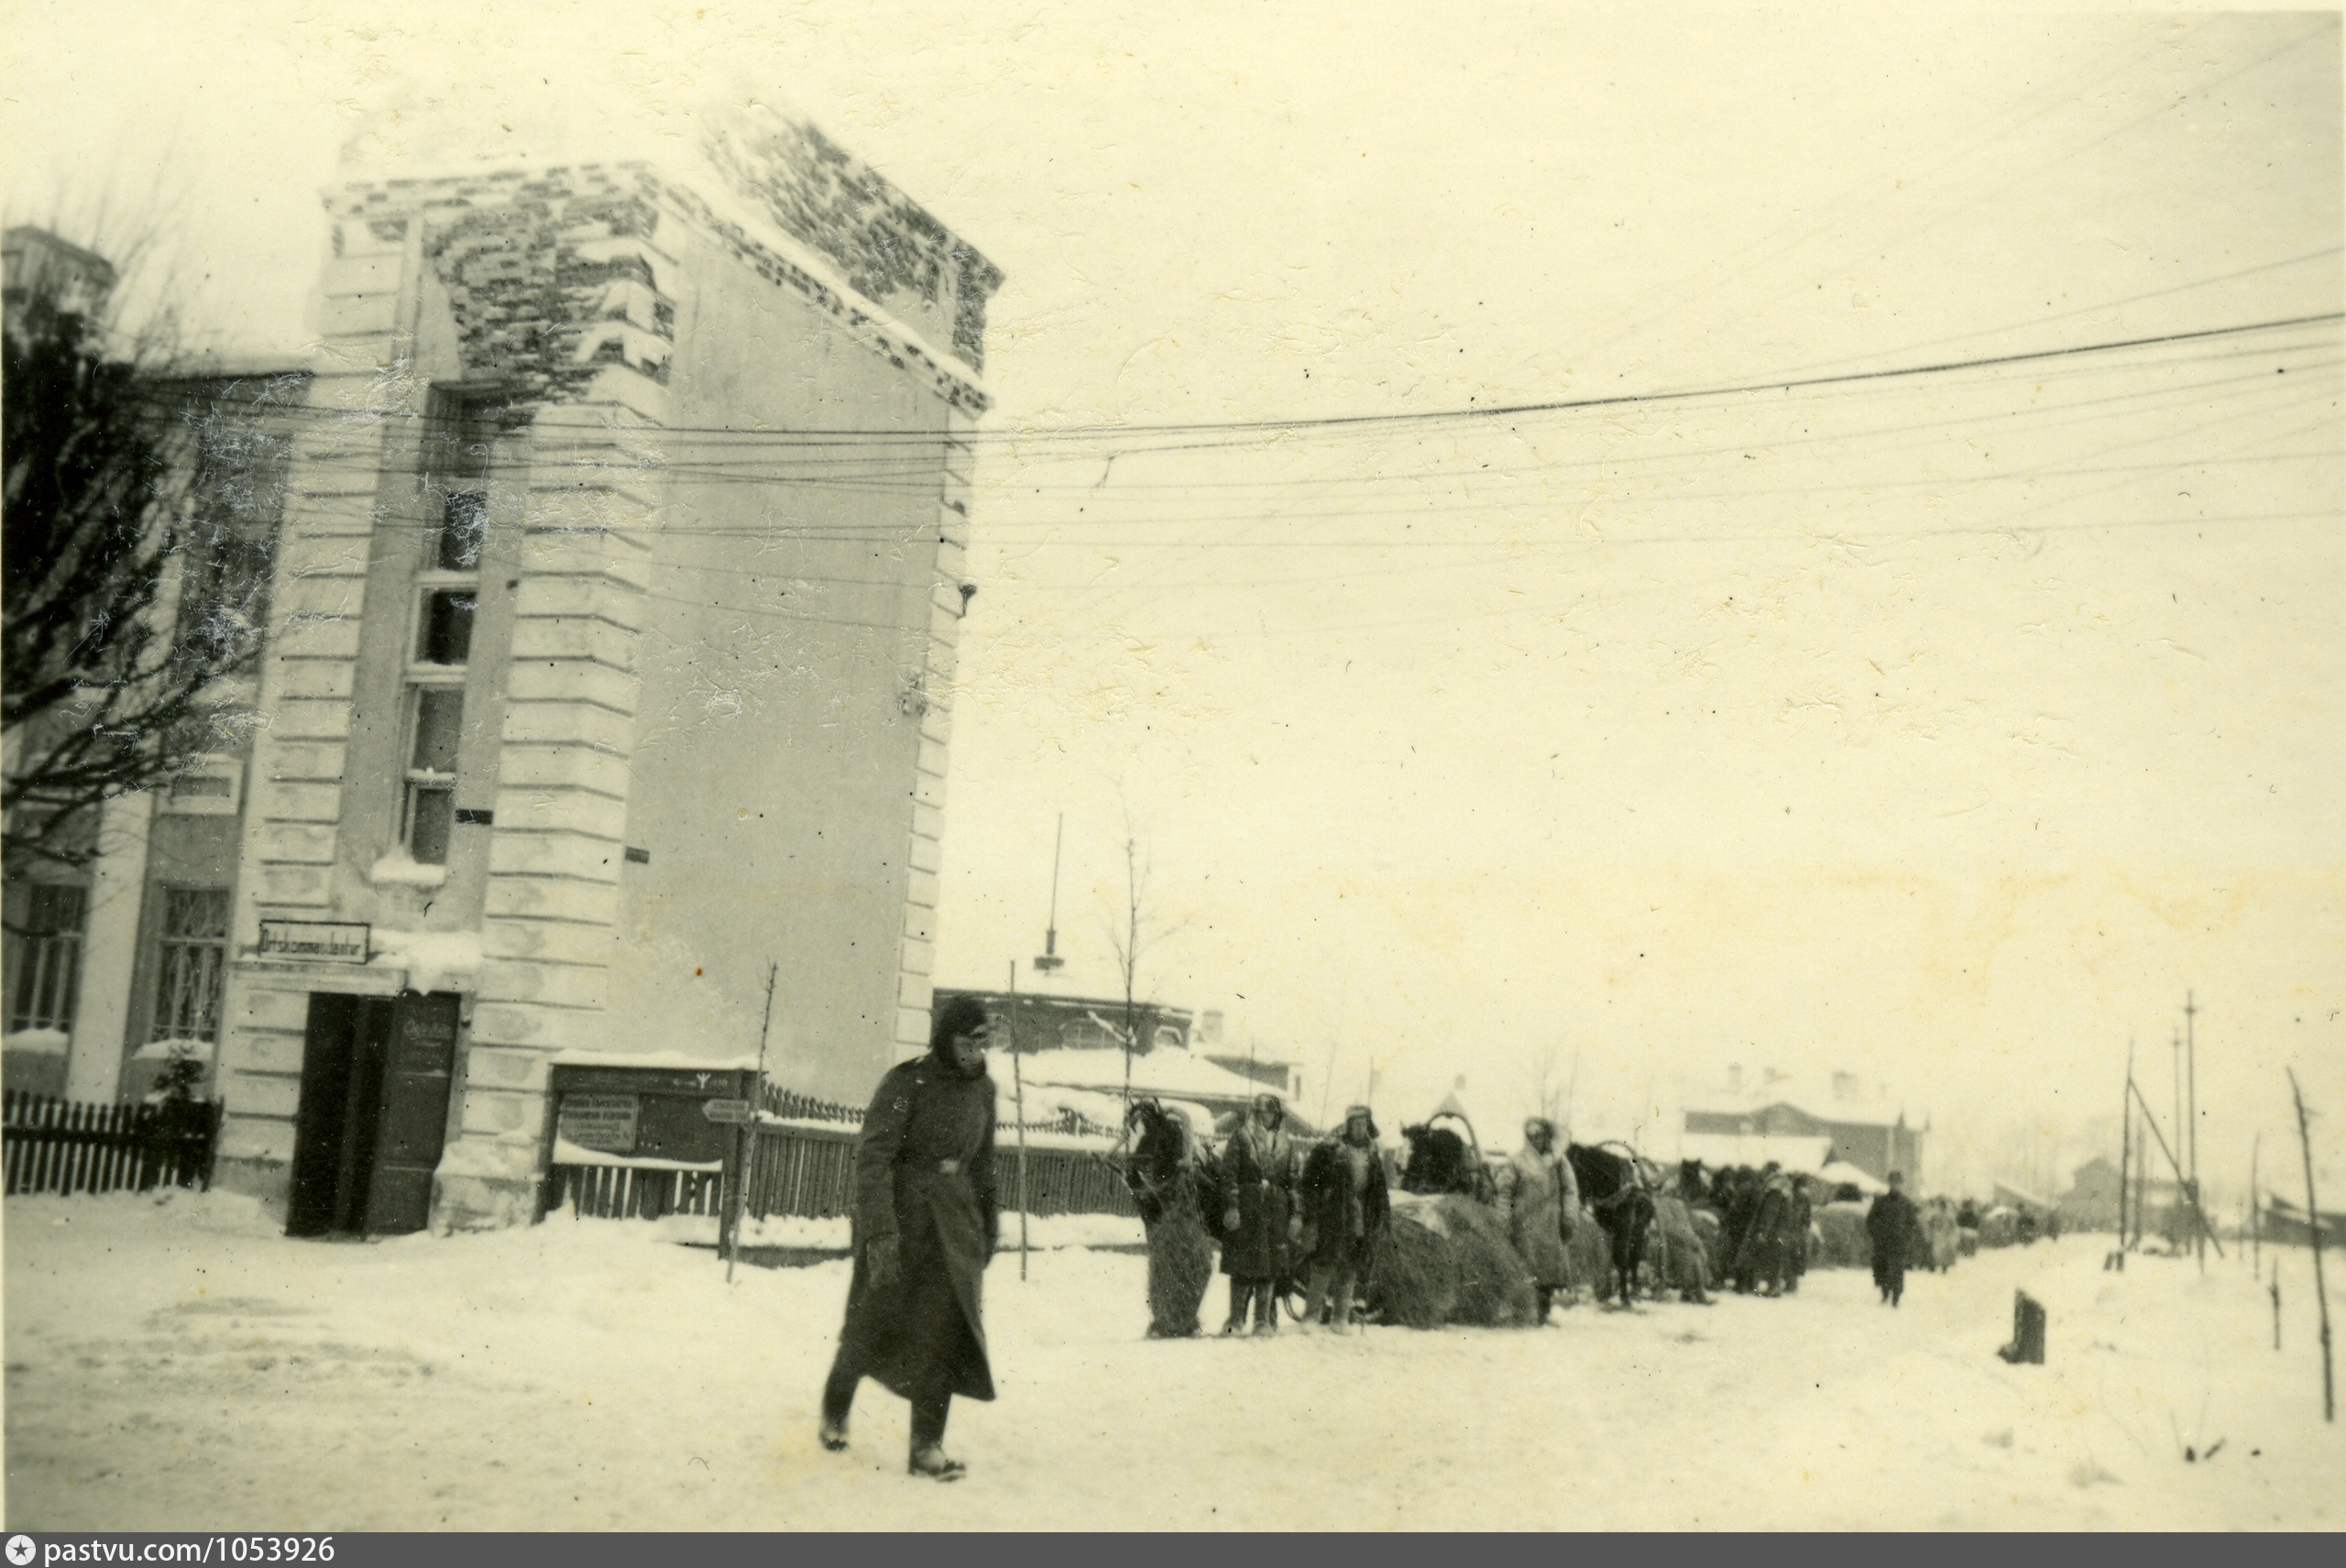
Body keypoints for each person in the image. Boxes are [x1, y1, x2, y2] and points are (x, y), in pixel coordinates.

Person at [819, 996, 999, 1480]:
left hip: (954, 1229)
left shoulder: (985, 1091)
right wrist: (879, 1232)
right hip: (902, 1226)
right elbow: (873, 1156)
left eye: (985, 1043)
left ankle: (926, 1448)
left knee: (942, 1332)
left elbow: (983, 1163)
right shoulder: (907, 1083)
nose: (976, 1053)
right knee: (871, 1322)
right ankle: (836, 1406)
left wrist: (989, 1224)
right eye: (967, 1042)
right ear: (946, 1039)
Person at [1297, 1104, 1390, 1332]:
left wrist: (1382, 1214)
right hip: (1333, 1213)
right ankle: (1311, 1316)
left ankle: (1340, 1317)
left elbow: (1379, 1189)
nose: (1360, 1129)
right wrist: (1313, 1210)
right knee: (1324, 1263)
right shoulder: (1330, 1149)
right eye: (1356, 1124)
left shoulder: (1372, 1152)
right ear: (1347, 1125)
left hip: (1360, 1215)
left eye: (1364, 1124)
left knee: (1350, 1264)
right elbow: (1309, 1183)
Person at [1218, 1093, 1301, 1335]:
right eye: (1262, 1112)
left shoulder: (1286, 1142)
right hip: (1248, 1209)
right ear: (1253, 1113)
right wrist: (1232, 1206)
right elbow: (1229, 1175)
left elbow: (1293, 1182)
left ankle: (1262, 1321)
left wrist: (1296, 1214)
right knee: (1242, 1267)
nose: (1266, 1117)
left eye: (1271, 1113)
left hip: (1276, 1212)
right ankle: (1235, 1319)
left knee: (1268, 1269)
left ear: (1277, 1116)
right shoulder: (1241, 1137)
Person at [1495, 1116, 1580, 1321]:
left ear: (1546, 1136)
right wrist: (1503, 1218)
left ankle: (1544, 1310)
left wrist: (1569, 1217)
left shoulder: (1559, 1161)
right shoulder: (1518, 1162)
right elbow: (1505, 1192)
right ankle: (1524, 1310)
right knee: (1525, 1267)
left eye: (1539, 1135)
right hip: (1524, 1223)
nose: (1535, 1140)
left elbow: (1570, 1191)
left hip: (1550, 1223)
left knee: (1548, 1269)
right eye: (1530, 1136)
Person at [1866, 1170, 1923, 1308]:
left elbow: (1913, 1224)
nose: (1896, 1185)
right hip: (1882, 1243)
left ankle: (1896, 1297)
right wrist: (1877, 1234)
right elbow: (1870, 1220)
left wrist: (1907, 1238)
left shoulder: (1906, 1203)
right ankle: (1885, 1293)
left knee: (1897, 1270)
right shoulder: (1881, 1202)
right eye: (1893, 1182)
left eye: (1898, 1183)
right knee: (1882, 1268)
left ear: (1902, 1184)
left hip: (1899, 1243)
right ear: (1889, 1183)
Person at [1781, 1175, 1814, 1295]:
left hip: (1793, 1230)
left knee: (1790, 1255)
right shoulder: (1805, 1197)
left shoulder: (1794, 1196)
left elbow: (1793, 1214)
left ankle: (1790, 1282)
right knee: (1796, 1255)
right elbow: (1807, 1217)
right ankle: (1792, 1282)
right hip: (1800, 1231)